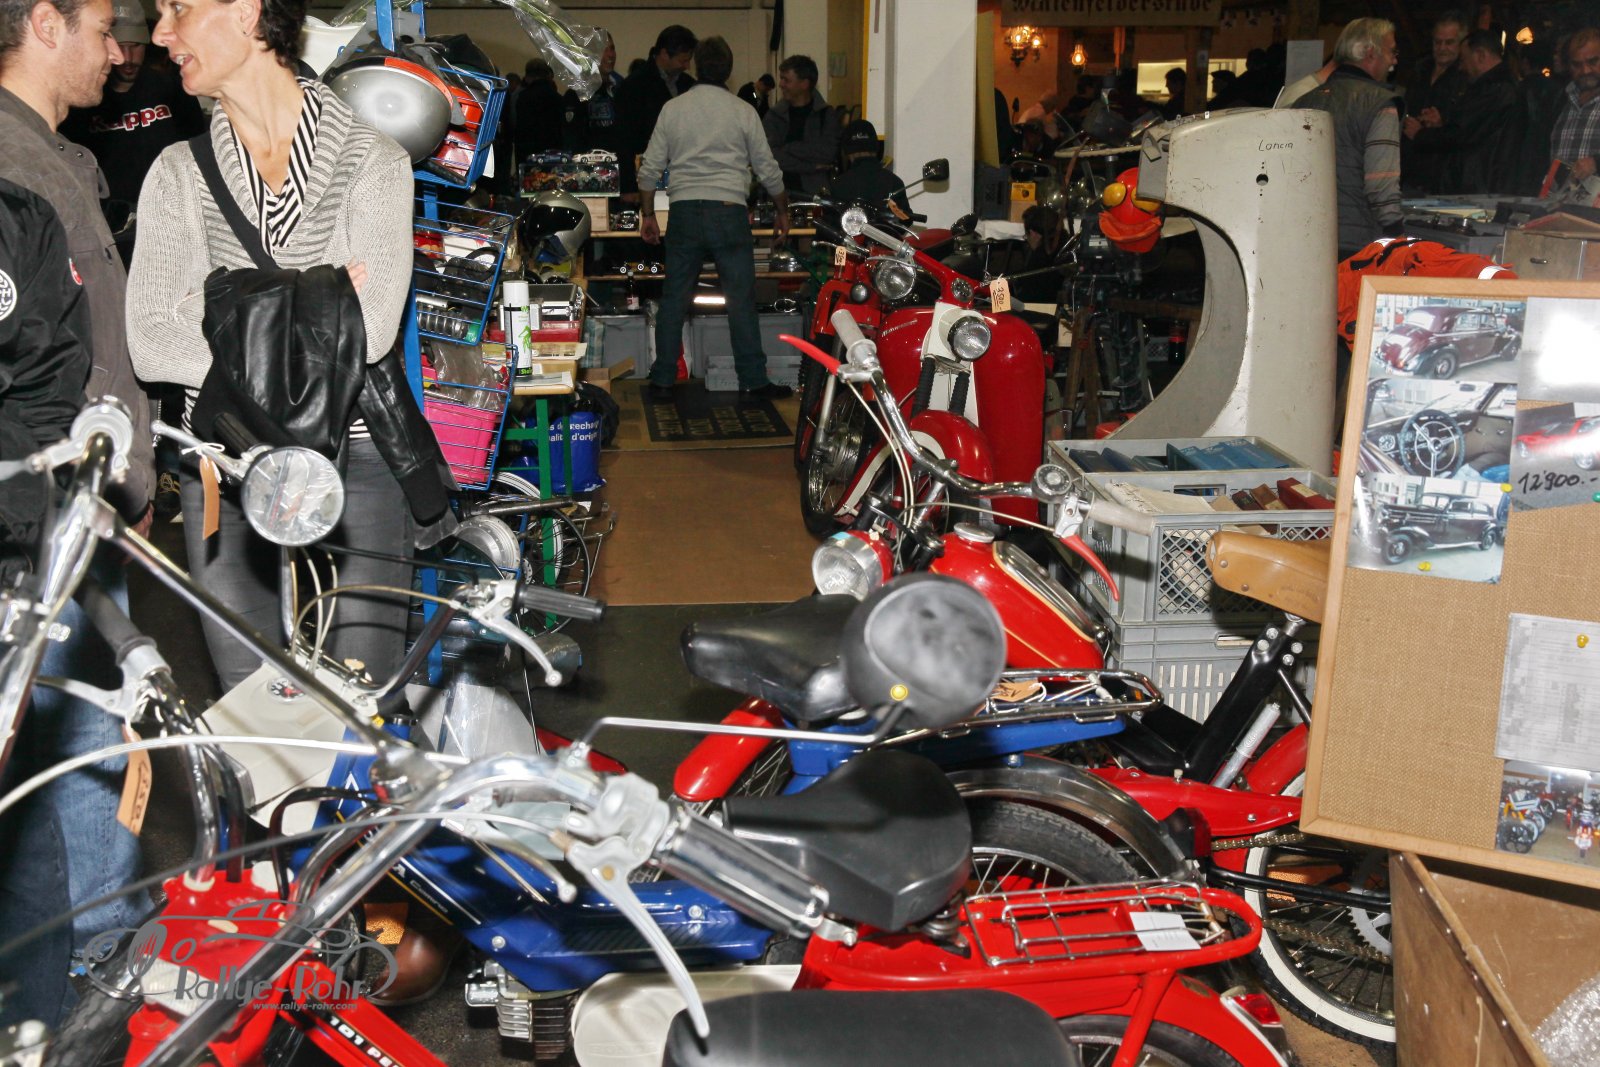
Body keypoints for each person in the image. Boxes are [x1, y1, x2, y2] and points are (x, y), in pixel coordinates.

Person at [128, 0, 416, 695]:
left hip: (356, 458)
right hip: (224, 465)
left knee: (361, 706)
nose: (162, 34)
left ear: (246, 12)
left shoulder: (372, 161)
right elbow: (150, 340)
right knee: (249, 711)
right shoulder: (177, 172)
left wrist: (223, 306)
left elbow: (373, 328)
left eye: (178, 8)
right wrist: (320, 299)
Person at [0, 0, 157, 1005]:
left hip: (80, 496)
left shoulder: (57, 154)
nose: (120, 49)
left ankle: (94, 943)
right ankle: (94, 956)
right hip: (44, 514)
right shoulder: (11, 166)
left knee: (92, 717)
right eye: (101, 25)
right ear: (45, 23)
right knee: (78, 731)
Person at [0, 175, 95, 1029]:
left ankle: (36, 1027)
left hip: (2, 564)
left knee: (16, 810)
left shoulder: (18, 218)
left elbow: (47, 384)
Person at [637, 35, 790, 402]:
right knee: (740, 301)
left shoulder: (673, 109)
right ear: (729, 69)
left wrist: (648, 215)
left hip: (684, 213)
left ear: (695, 65)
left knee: (675, 299)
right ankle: (753, 381)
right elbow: (767, 169)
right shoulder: (743, 111)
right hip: (729, 212)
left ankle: (663, 379)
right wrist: (783, 210)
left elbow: (649, 170)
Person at [61, 0, 205, 209]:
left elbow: (199, 151)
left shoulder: (171, 88)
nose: (127, 58)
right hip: (110, 219)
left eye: (135, 46)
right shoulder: (83, 101)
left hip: (174, 211)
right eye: (121, 46)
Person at [1291, 18, 1404, 258]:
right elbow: (1380, 185)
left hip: (1305, 237)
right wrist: (1397, 236)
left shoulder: (1303, 102)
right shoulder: (1379, 103)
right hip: (1357, 242)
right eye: (1392, 51)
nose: (1394, 61)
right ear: (1371, 52)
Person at [1405, 30, 1522, 195]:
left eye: (1464, 59)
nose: (1461, 67)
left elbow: (1462, 134)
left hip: (1476, 186)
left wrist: (1420, 134)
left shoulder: (1495, 89)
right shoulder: (1497, 87)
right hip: (1476, 184)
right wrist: (1441, 126)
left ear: (1480, 55)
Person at [615, 24, 696, 197]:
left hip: (684, 180)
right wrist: (628, 187)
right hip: (645, 177)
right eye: (683, 60)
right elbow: (624, 140)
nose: (687, 66)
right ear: (665, 54)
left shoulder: (689, 85)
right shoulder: (633, 87)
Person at [1400, 12, 1469, 194]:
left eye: (1449, 42)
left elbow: (1464, 131)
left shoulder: (1465, 78)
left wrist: (1440, 124)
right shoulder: (1421, 69)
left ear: (1461, 44)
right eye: (1438, 42)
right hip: (1409, 164)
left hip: (1441, 172)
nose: (1442, 48)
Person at [763, 53, 841, 195]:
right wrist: (811, 167)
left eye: (786, 80)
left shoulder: (826, 115)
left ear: (804, 84)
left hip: (816, 195)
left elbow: (827, 153)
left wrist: (787, 147)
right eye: (781, 78)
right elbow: (769, 156)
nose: (780, 84)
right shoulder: (774, 116)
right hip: (778, 193)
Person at [825, 118, 907, 217]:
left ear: (847, 153)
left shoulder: (838, 185)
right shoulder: (894, 182)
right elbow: (906, 219)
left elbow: (830, 220)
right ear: (876, 148)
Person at [1550, 28, 1600, 183]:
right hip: (1558, 197)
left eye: (1593, 61)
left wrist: (1596, 163)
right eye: (1576, 65)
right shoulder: (1560, 100)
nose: (1585, 70)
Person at [561, 31, 623, 154]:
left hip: (619, 161)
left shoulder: (622, 88)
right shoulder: (576, 93)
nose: (611, 55)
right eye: (604, 50)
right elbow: (571, 140)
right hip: (590, 161)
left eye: (612, 48)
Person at [514, 58, 563, 159]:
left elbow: (518, 125)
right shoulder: (557, 97)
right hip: (552, 150)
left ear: (528, 76)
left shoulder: (523, 97)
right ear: (547, 74)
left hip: (527, 150)